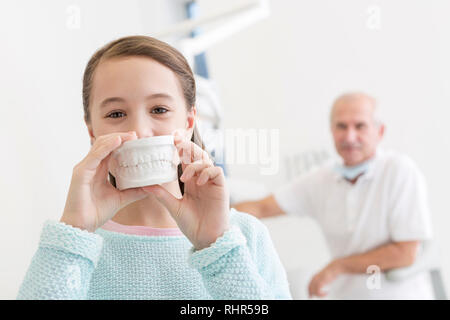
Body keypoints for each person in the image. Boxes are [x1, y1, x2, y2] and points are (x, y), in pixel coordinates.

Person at [16, 35, 291, 300]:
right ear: (92, 131)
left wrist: (216, 246)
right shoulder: (71, 247)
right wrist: (73, 232)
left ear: (189, 121)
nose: (139, 131)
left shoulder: (244, 235)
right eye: (116, 114)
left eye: (159, 109)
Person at [234, 92, 434, 299]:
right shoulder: (321, 179)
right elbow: (262, 207)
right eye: (341, 126)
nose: (349, 137)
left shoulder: (399, 171)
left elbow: (406, 252)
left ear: (379, 131)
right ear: (331, 131)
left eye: (360, 126)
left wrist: (337, 267)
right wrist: (215, 212)